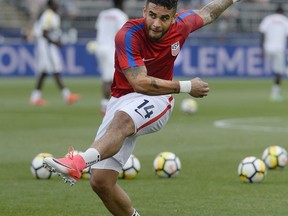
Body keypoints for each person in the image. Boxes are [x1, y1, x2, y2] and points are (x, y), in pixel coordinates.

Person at [44, 0, 241, 215]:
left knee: (122, 120)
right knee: (101, 181)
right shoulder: (128, 35)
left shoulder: (182, 26)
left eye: (164, 18)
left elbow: (208, 12)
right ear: (144, 11)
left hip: (159, 98)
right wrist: (187, 86)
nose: (156, 23)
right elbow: (139, 82)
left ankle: (77, 163)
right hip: (122, 98)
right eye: (152, 15)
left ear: (174, 17)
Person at [29, 0, 80, 106]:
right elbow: (44, 32)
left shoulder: (52, 15)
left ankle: (35, 97)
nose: (58, 4)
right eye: (55, 3)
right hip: (47, 45)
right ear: (50, 5)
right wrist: (55, 42)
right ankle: (67, 95)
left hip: (48, 44)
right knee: (55, 69)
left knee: (44, 72)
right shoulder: (48, 15)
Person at [94, 0, 129, 114]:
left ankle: (108, 103)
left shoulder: (103, 14)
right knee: (111, 78)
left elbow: (98, 29)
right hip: (111, 48)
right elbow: (123, 33)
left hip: (99, 47)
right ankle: (105, 105)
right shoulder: (121, 16)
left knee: (106, 77)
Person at [259, 4, 288, 102]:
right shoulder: (285, 20)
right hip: (279, 48)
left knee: (279, 70)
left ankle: (275, 93)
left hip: (268, 47)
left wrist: (262, 49)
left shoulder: (268, 19)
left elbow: (262, 33)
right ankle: (275, 94)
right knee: (279, 72)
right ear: (282, 12)